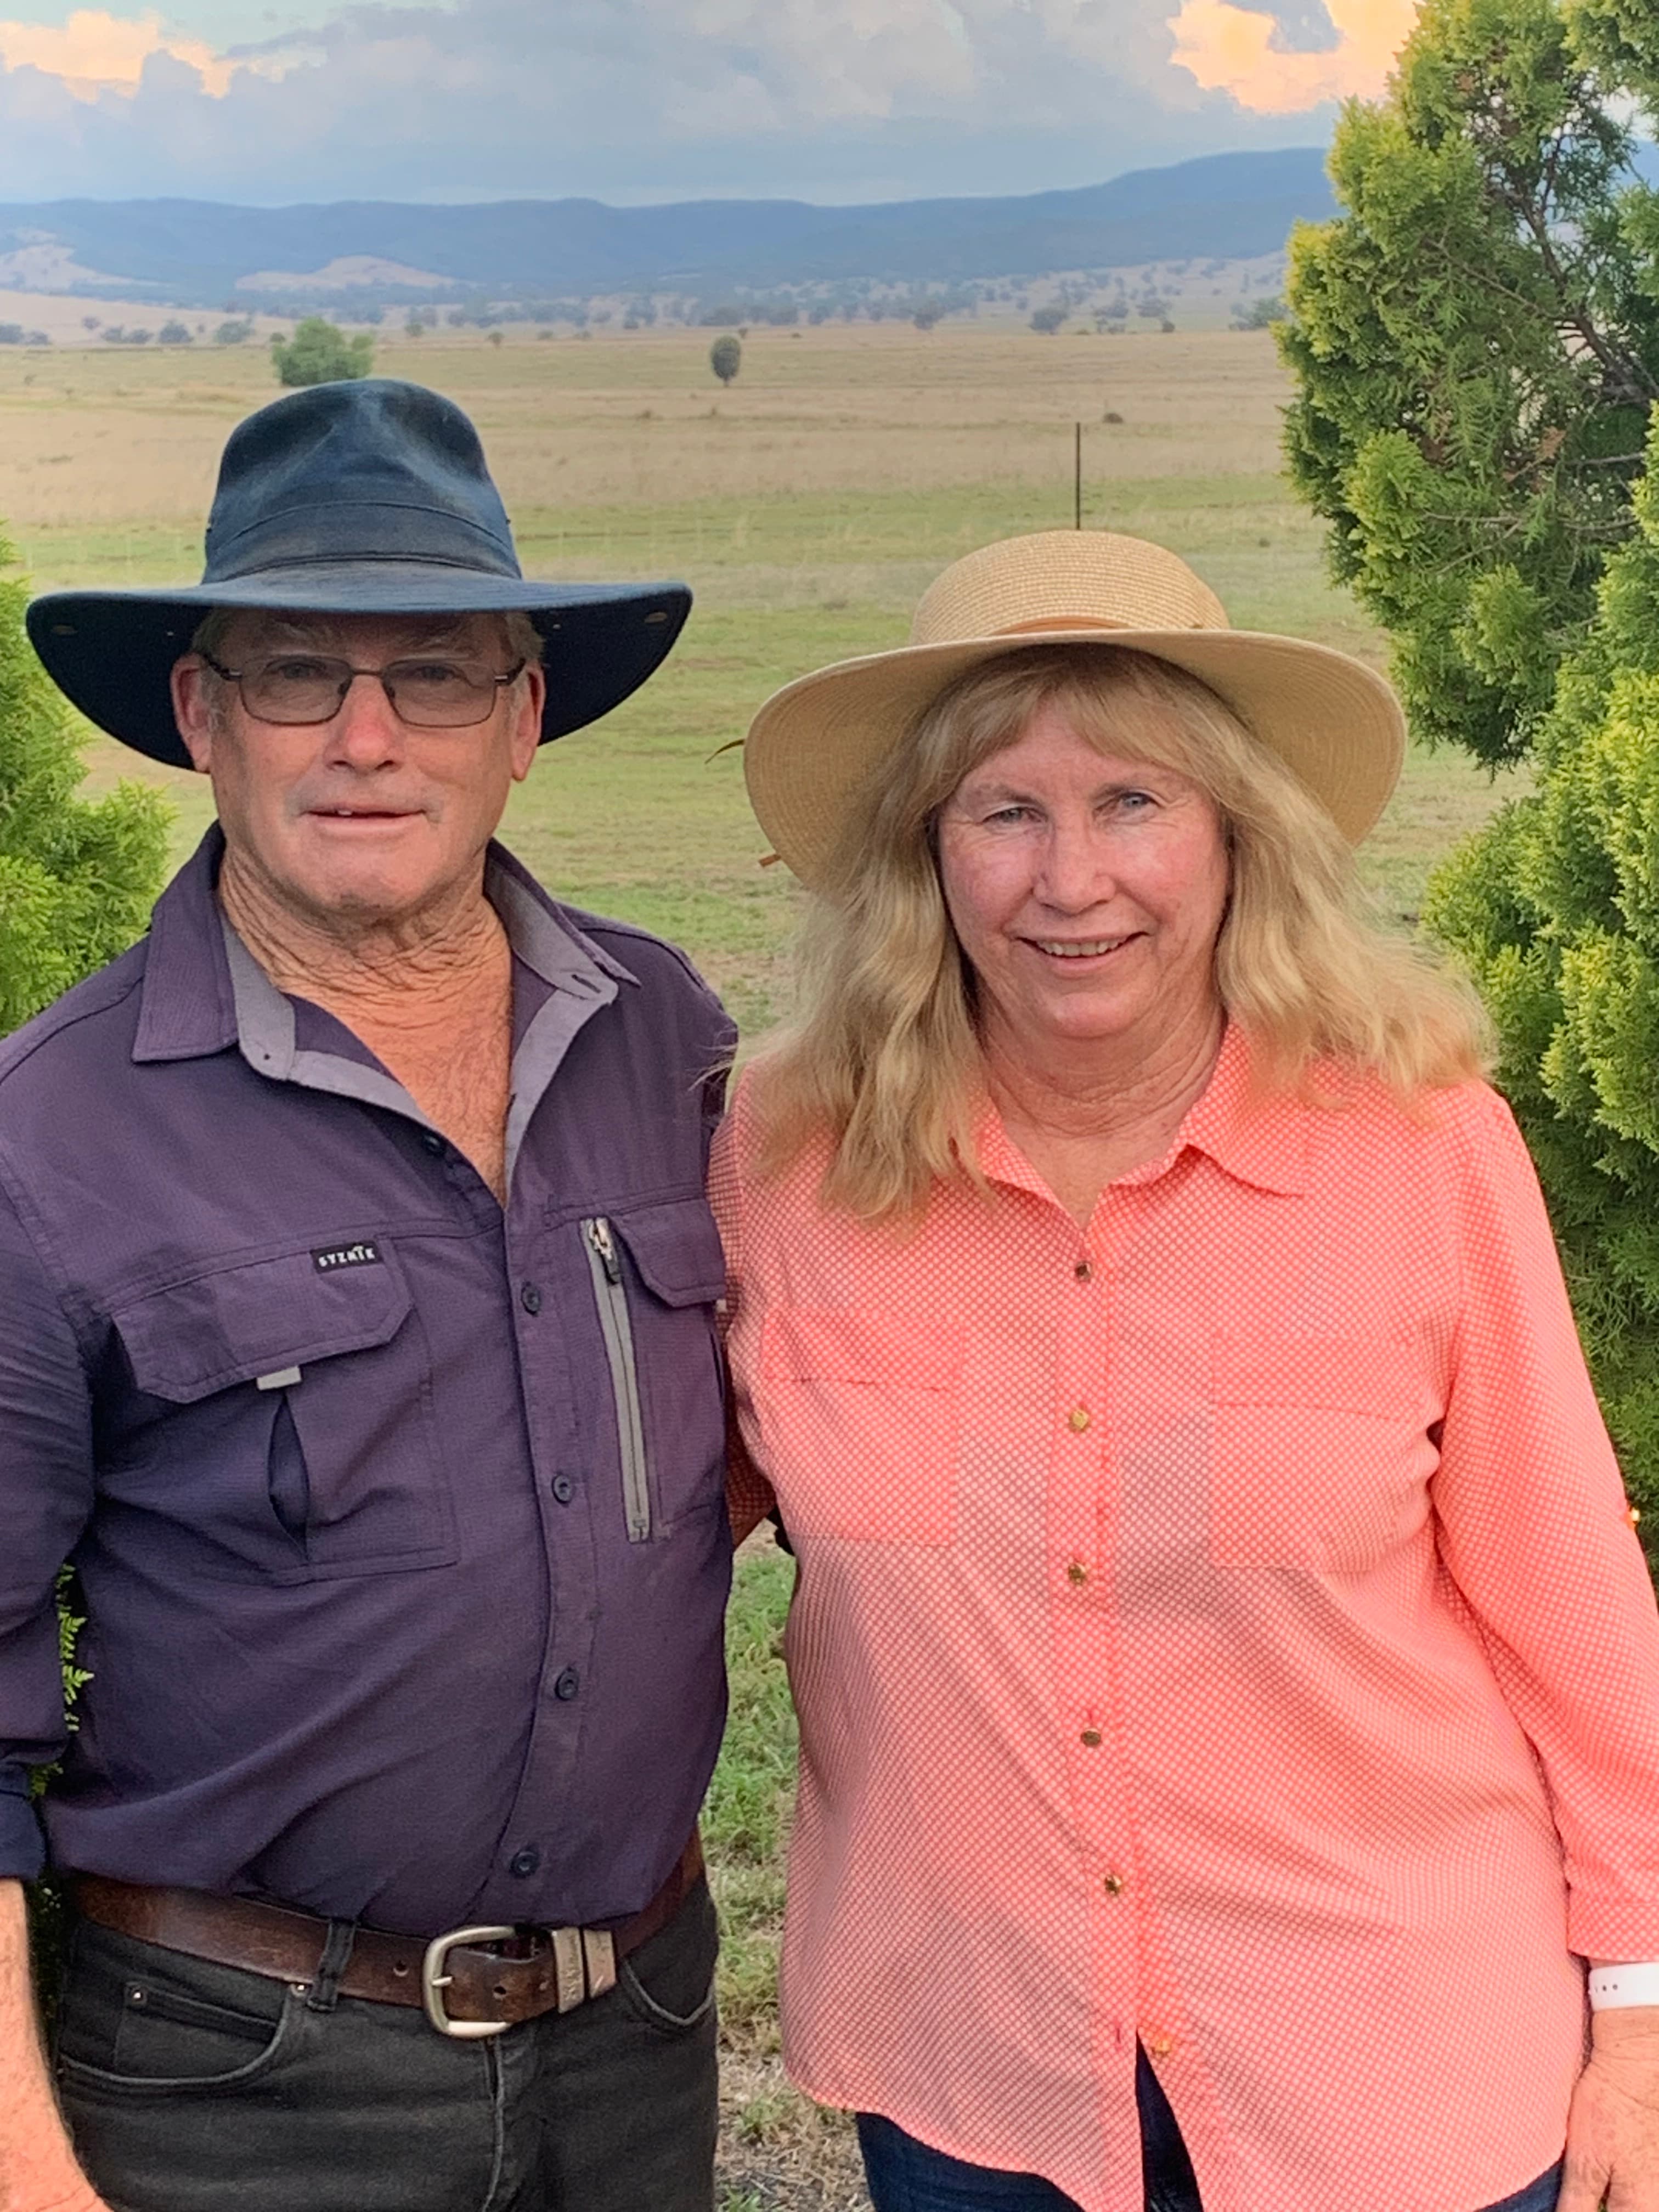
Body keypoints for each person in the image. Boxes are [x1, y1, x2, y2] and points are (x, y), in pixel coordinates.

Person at [711, 529, 1659, 2212]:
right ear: (925, 854)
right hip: (974, 2064)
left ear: (1236, 835)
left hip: (1389, 2060)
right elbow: (642, 1516)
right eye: (1006, 812)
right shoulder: (785, 1160)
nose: (1072, 880)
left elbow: (1573, 1604)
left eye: (1134, 801)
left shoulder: (1423, 1148)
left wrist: (1641, 2012)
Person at [0, 378, 735, 2212]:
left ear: (524, 719)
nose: (366, 737)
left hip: (637, 2034)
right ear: (200, 715)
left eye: (435, 676)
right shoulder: (47, 1140)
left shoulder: (668, 1038)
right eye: (295, 675)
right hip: (237, 2084)